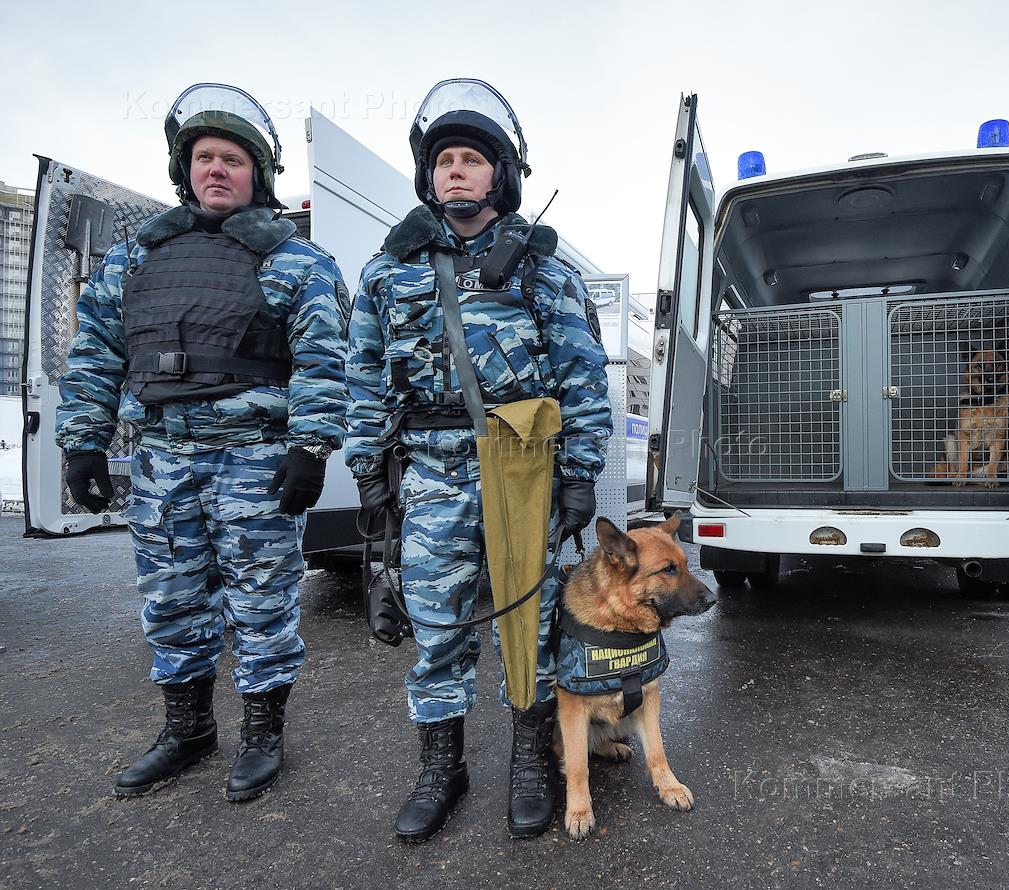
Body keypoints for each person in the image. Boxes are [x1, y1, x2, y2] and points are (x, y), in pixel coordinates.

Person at [55, 83, 349, 801]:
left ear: (260, 174)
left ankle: (261, 736)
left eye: (233, 160)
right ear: (183, 168)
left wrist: (310, 449)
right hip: (163, 459)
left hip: (254, 457)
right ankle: (187, 731)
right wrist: (83, 442)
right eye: (204, 158)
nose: (216, 170)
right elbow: (95, 350)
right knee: (172, 601)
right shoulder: (137, 259)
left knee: (261, 603)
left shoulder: (296, 261)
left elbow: (322, 360)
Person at [345, 78, 611, 841]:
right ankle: (442, 766)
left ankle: (531, 761)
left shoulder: (541, 269)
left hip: (522, 475)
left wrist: (581, 476)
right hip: (428, 477)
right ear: (428, 177)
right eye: (443, 161)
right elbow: (364, 374)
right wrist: (368, 471)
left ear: (501, 174)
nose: (455, 171)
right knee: (438, 630)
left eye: (471, 159)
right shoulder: (389, 273)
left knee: (524, 624)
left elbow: (580, 377)